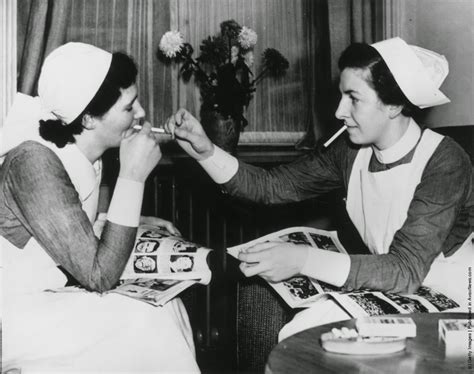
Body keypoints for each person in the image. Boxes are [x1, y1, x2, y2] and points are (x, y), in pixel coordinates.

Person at [164, 37, 473, 340]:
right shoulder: (350, 152)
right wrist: (205, 151)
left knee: (313, 338)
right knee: (303, 334)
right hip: (395, 285)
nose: (339, 111)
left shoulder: (445, 161)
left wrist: (302, 259)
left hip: (453, 296)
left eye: (353, 97)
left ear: (393, 105)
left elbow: (405, 269)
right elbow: (270, 186)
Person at [0, 43, 199, 372]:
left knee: (166, 305)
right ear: (90, 118)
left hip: (41, 298)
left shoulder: (81, 154)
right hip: (12, 315)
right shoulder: (33, 161)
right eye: (129, 107)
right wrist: (133, 177)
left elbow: (62, 225)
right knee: (147, 321)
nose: (141, 114)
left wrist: (125, 219)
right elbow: (99, 275)